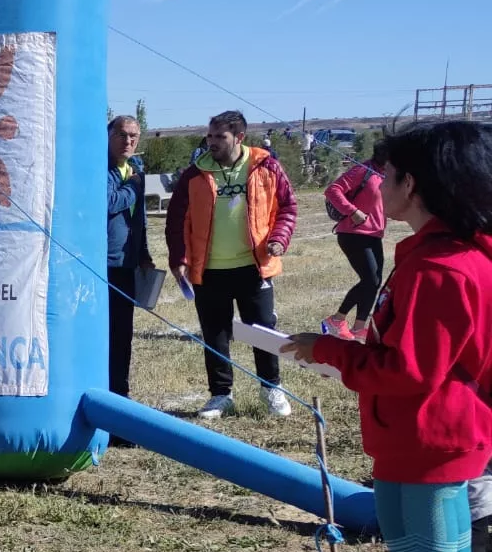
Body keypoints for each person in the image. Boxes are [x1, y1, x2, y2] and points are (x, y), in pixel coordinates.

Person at [290, 120, 492, 552]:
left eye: (389, 174)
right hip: (432, 440)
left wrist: (329, 351)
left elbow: (409, 371)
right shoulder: (446, 255)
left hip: (428, 445)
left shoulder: (440, 268)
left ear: (418, 183)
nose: (379, 184)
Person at [166, 110, 297, 419]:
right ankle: (221, 395)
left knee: (262, 330)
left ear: (239, 137)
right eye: (209, 136)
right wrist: (179, 258)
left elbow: (287, 207)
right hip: (209, 270)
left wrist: (279, 238)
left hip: (254, 267)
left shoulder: (266, 166)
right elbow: (176, 221)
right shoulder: (194, 174)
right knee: (215, 334)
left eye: (220, 136)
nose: (212, 142)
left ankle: (271, 388)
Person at [106, 116, 154, 398]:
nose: (128, 141)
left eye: (134, 136)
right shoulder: (102, 168)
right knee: (108, 334)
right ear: (109, 135)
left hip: (128, 264)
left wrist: (144, 253)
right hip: (105, 265)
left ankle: (121, 393)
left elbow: (140, 218)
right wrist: (134, 187)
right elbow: (108, 202)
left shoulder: (134, 169)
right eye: (122, 135)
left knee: (123, 334)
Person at [322, 154, 386, 340]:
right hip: (353, 233)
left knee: (375, 282)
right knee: (370, 279)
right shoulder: (363, 169)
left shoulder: (387, 175)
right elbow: (333, 190)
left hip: (374, 234)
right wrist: (352, 211)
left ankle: (358, 328)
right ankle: (336, 319)